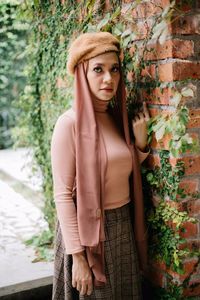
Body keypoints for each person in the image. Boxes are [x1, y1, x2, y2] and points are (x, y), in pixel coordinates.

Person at [51, 32, 150, 300]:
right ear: (82, 73)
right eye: (98, 69)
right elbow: (62, 196)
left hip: (121, 226)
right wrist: (79, 258)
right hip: (86, 238)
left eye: (114, 69)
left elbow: (117, 171)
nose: (109, 78)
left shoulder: (117, 119)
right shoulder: (68, 123)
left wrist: (139, 147)